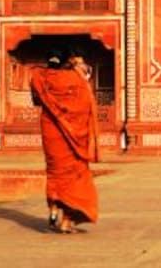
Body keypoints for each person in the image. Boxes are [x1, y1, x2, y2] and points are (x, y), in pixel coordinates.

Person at [30, 48, 100, 233]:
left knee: (54, 172)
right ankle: (67, 221)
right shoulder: (74, 79)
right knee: (74, 177)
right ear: (68, 63)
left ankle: (54, 208)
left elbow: (36, 101)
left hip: (50, 132)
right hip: (72, 138)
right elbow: (84, 105)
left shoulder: (39, 77)